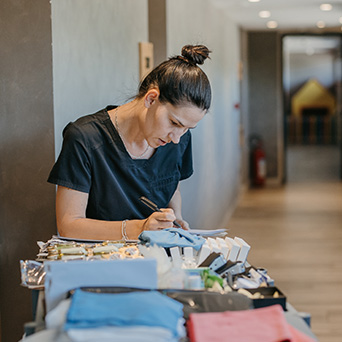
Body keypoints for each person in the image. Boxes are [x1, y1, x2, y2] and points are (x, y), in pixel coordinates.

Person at [48, 44, 212, 241]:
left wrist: (175, 217)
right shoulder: (85, 138)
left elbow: (171, 187)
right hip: (101, 261)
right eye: (174, 123)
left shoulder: (179, 138)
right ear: (151, 99)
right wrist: (139, 228)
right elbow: (69, 225)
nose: (176, 138)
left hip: (158, 258)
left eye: (186, 128)